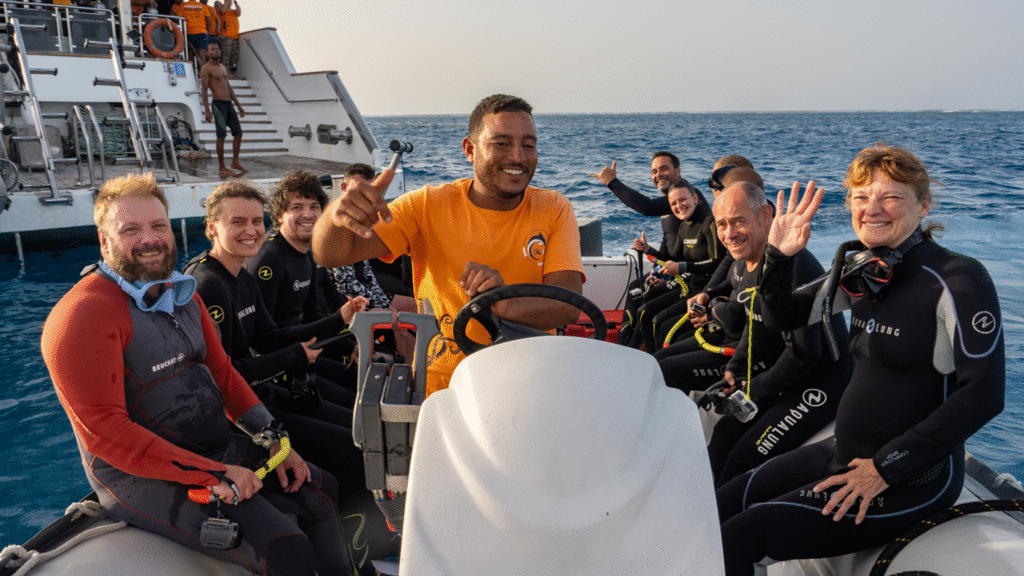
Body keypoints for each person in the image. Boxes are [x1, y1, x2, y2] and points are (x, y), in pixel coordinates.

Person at [40, 173, 353, 576]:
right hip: (141, 477)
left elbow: (222, 374)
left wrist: (275, 439)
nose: (150, 239)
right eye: (131, 229)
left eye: (158, 226)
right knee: (284, 549)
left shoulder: (180, 293)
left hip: (216, 451)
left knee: (320, 489)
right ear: (104, 240)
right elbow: (105, 432)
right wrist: (216, 473)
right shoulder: (82, 315)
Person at [716, 144, 1005, 575]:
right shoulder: (864, 271)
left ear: (923, 204)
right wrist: (777, 259)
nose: (873, 209)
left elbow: (983, 395)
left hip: (908, 479)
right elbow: (783, 316)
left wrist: (885, 469)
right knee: (718, 503)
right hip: (843, 453)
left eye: (891, 197)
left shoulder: (957, 279)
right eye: (861, 197)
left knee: (738, 537)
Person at [312, 93, 585, 396]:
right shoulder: (426, 205)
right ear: (470, 149)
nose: (518, 157)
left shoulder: (554, 208)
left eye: (529, 145)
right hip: (443, 389)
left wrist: (504, 302)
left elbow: (569, 304)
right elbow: (331, 255)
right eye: (501, 143)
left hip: (532, 380)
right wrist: (335, 216)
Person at [655, 181, 851, 485]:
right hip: (781, 371)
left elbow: (805, 355)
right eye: (722, 224)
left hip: (821, 381)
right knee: (722, 436)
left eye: (738, 221)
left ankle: (723, 520)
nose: (729, 233)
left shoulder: (794, 267)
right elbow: (753, 324)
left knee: (740, 458)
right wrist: (736, 368)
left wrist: (755, 388)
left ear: (765, 216)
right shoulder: (749, 262)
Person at [617, 179, 725, 351]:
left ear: (695, 199)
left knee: (658, 322)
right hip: (689, 285)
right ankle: (642, 354)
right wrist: (648, 250)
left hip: (705, 291)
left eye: (683, 200)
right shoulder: (684, 226)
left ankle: (658, 362)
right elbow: (673, 258)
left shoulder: (709, 223)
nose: (678, 206)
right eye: (673, 203)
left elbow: (717, 262)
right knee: (643, 311)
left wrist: (682, 267)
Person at [330, 164, 417, 313]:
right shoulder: (338, 225)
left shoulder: (362, 221)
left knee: (420, 306)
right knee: (397, 324)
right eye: (359, 190)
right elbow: (346, 286)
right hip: (345, 301)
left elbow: (367, 274)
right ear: (344, 188)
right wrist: (383, 308)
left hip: (364, 289)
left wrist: (384, 303)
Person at [588, 151, 706, 254]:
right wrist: (655, 270)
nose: (658, 175)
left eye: (664, 168)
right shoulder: (670, 202)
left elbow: (648, 207)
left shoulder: (690, 196)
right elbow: (668, 239)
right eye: (654, 171)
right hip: (673, 269)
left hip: (693, 272)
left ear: (677, 171)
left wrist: (612, 182)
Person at [201, 41, 246, 180]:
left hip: (229, 105)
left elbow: (229, 88)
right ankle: (222, 166)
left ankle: (235, 162)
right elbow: (204, 90)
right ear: (207, 53)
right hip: (218, 106)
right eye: (212, 49)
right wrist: (207, 110)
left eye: (217, 48)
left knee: (238, 134)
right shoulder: (206, 69)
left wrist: (238, 106)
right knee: (221, 136)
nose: (216, 51)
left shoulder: (222, 67)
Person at [217, 0, 241, 75]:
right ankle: (225, 73)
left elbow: (239, 12)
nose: (229, 2)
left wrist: (235, 2)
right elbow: (223, 9)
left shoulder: (234, 12)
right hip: (225, 37)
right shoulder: (221, 10)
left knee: (235, 56)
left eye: (230, 1)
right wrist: (226, 2)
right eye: (228, 1)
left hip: (235, 37)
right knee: (225, 56)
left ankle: (230, 72)